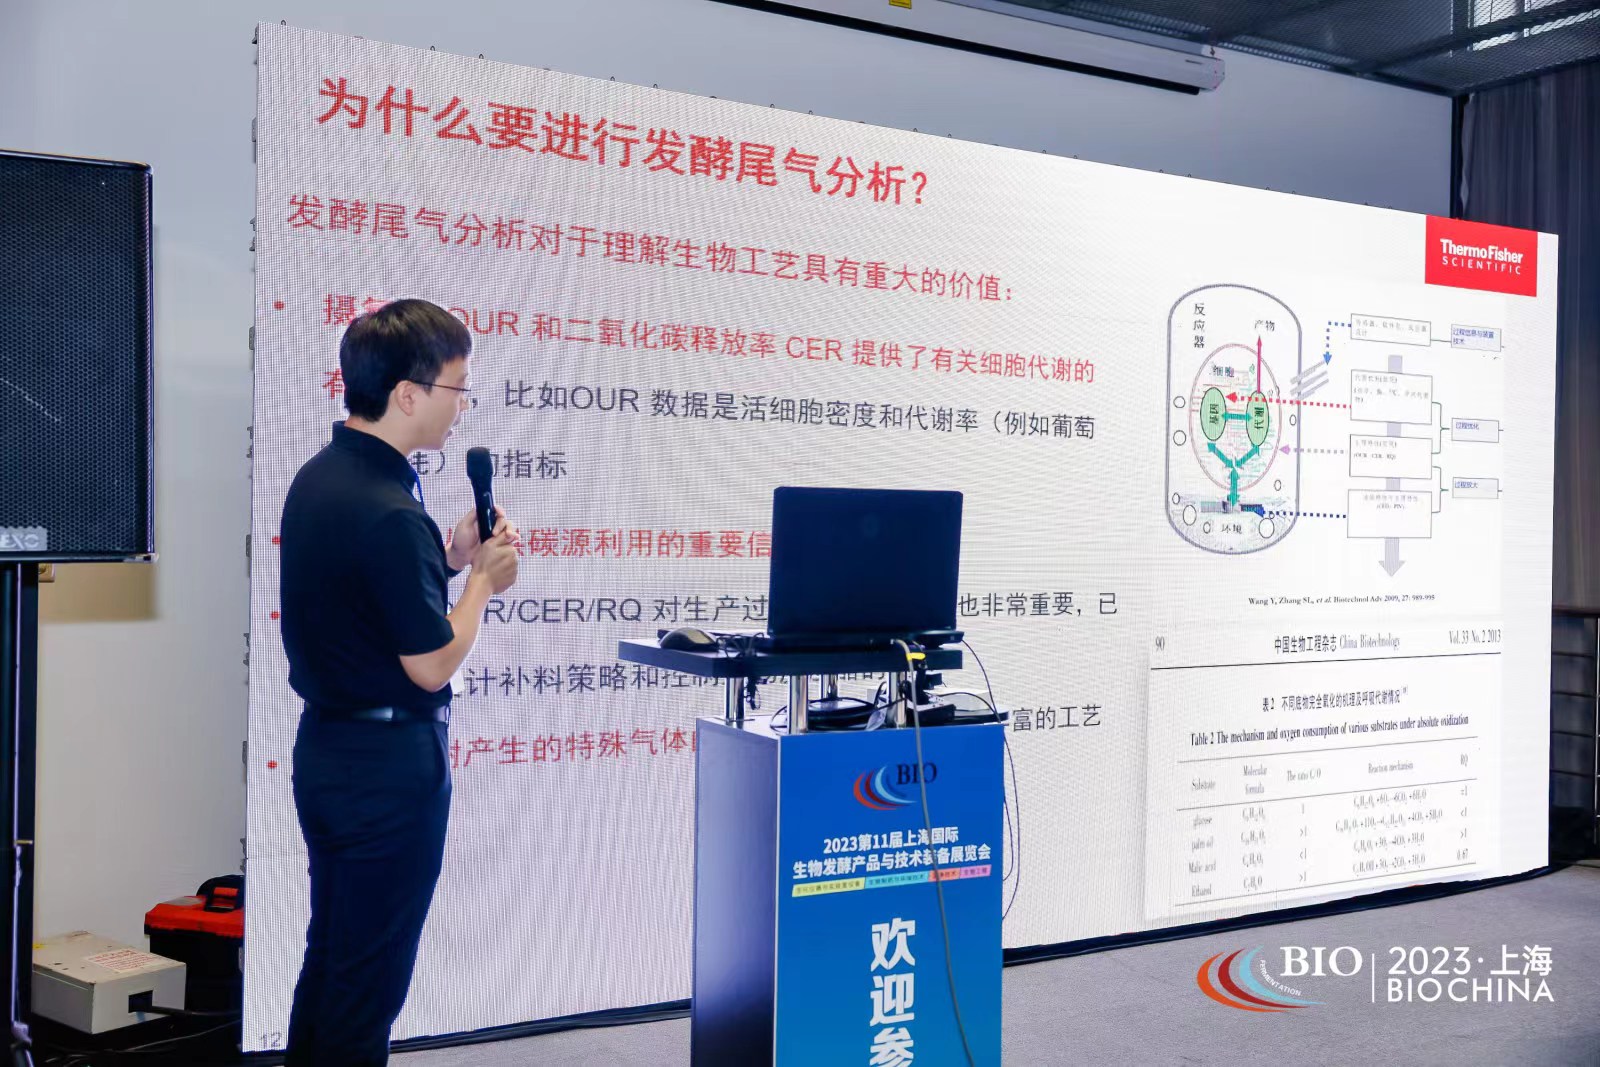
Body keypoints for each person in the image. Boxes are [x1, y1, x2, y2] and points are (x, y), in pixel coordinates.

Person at [277, 298, 519, 1065]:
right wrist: (481, 583)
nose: (461, 406)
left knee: (337, 963)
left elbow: (371, 600)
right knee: (367, 984)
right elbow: (433, 660)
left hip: (332, 753)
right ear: (408, 394)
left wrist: (447, 557)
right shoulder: (387, 508)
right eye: (457, 388)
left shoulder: (326, 477)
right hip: (385, 774)